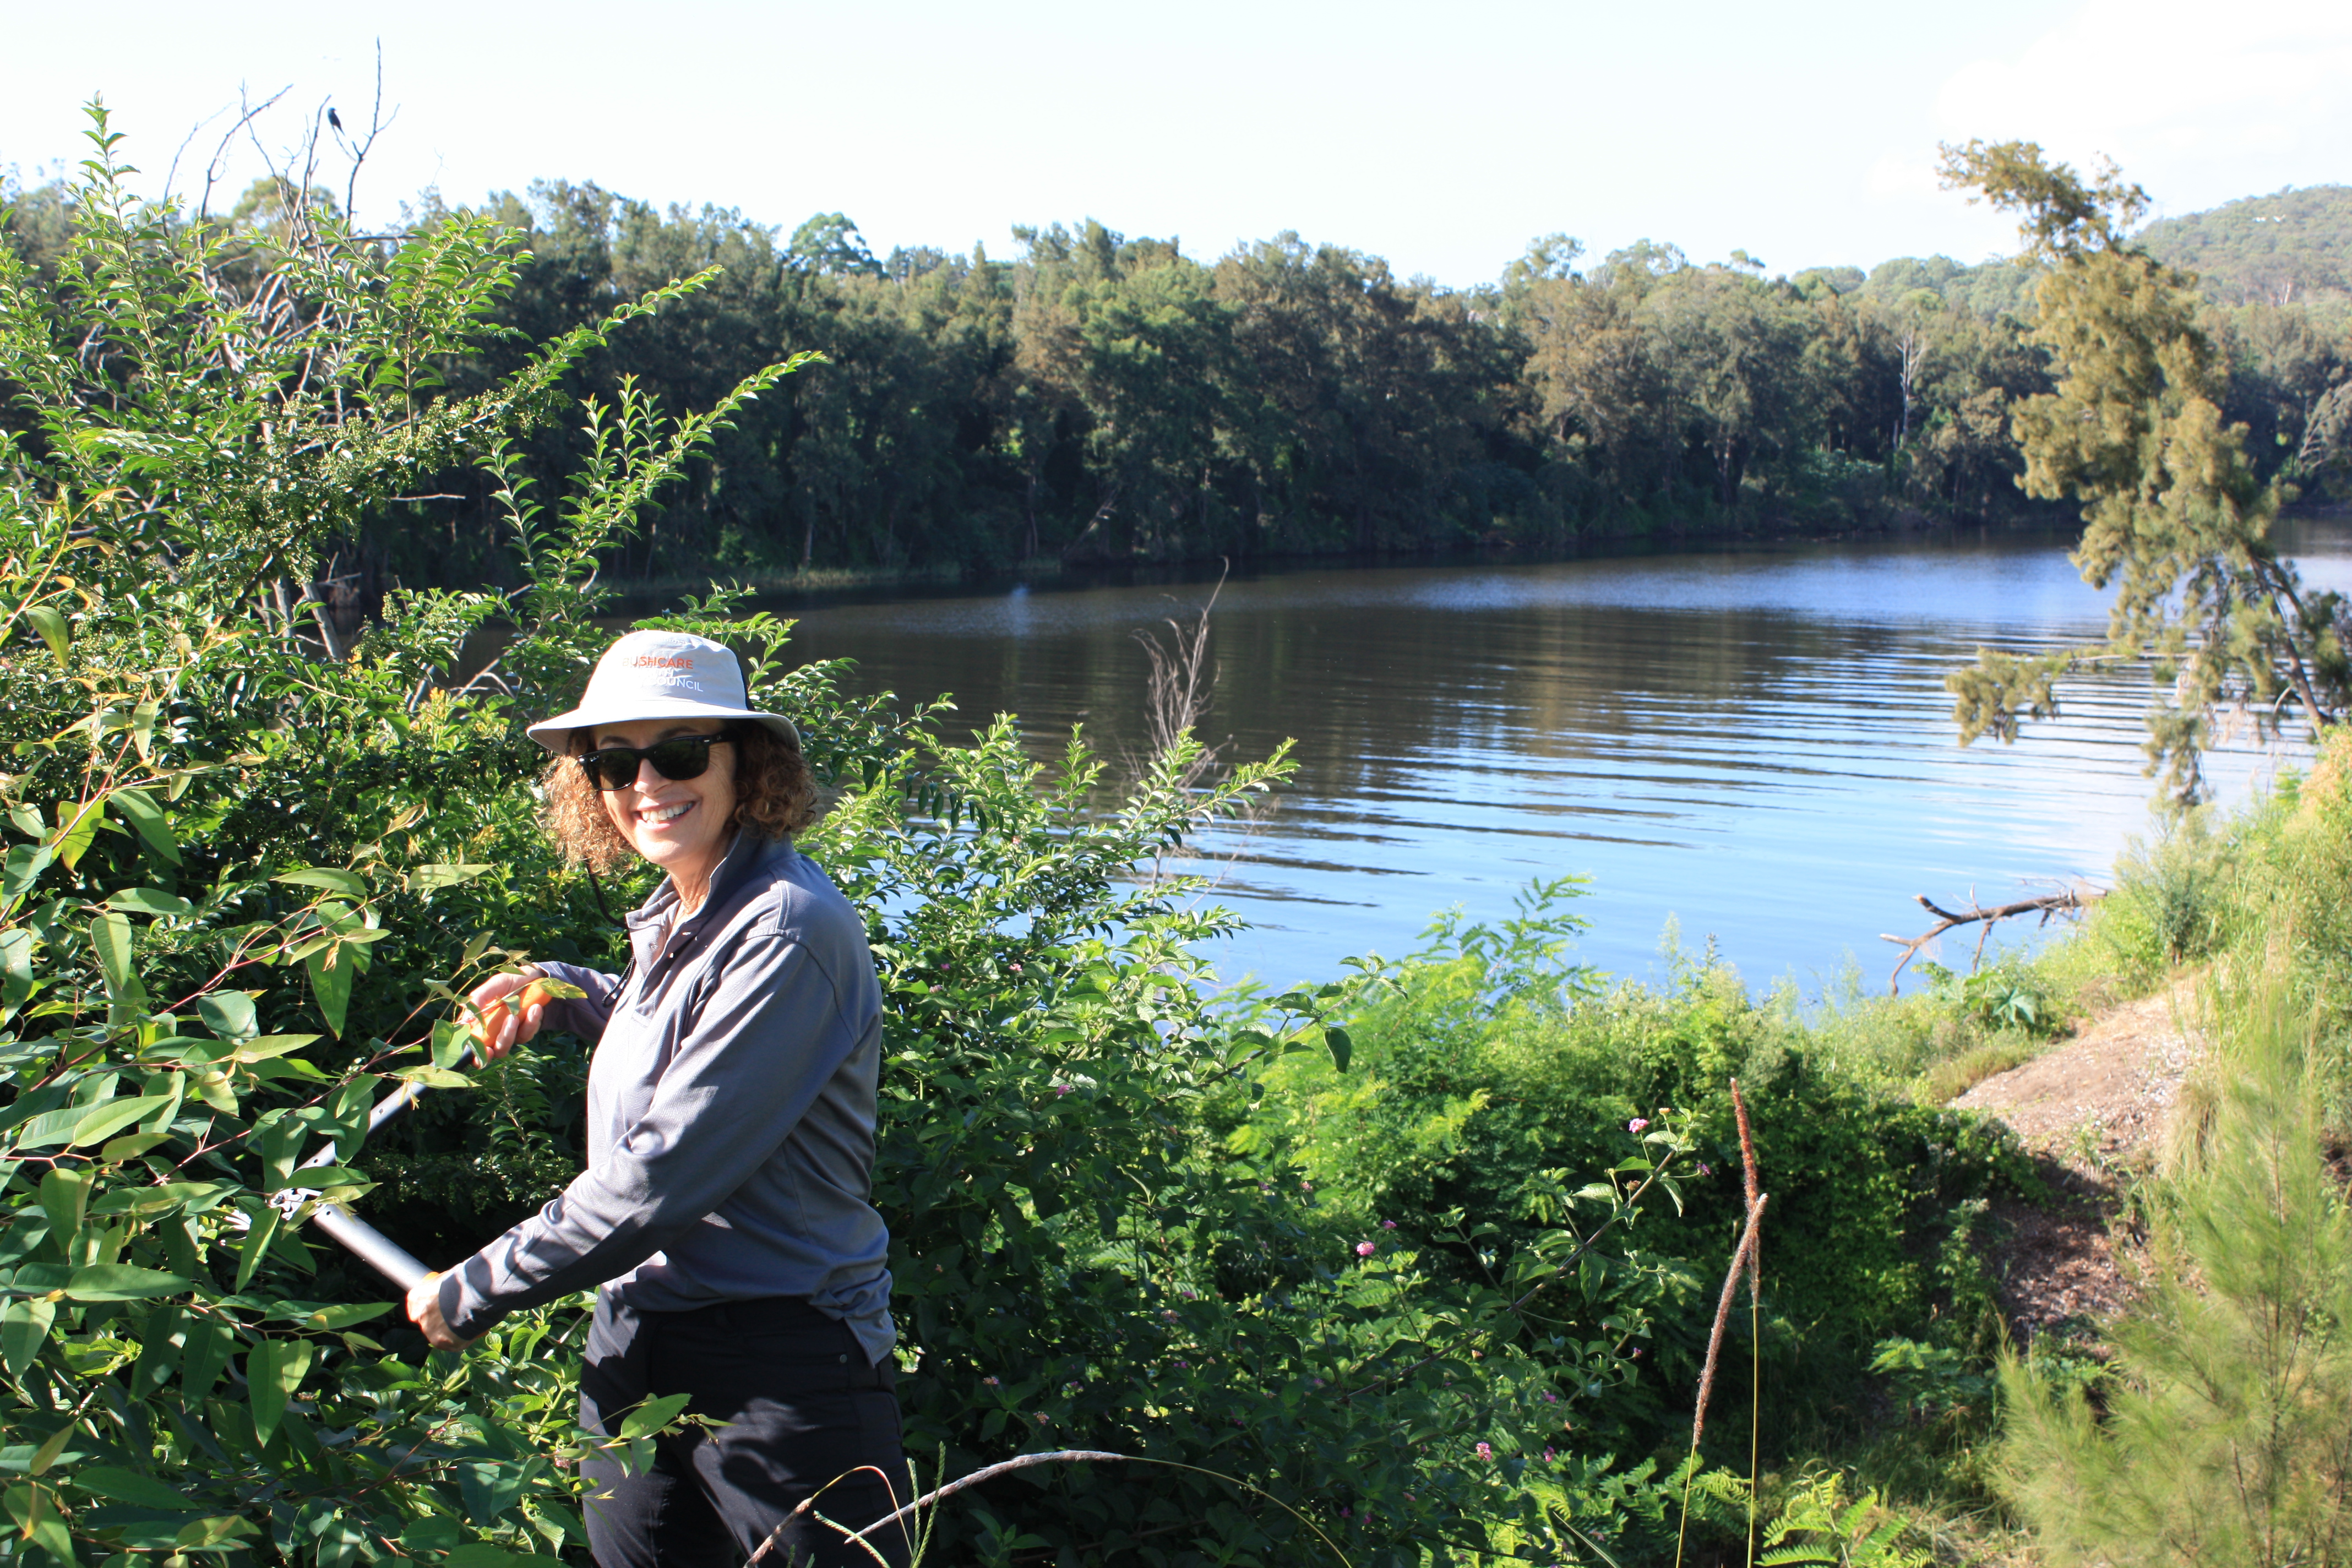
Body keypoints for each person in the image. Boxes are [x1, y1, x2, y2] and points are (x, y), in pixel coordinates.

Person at [403, 629, 911, 1568]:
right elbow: (675, 1028)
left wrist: (476, 1288)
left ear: (746, 762)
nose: (647, 783)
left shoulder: (786, 929)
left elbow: (656, 1182)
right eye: (615, 761)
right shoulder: (693, 907)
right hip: (636, 1344)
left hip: (783, 1366)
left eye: (679, 751)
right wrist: (563, 993)